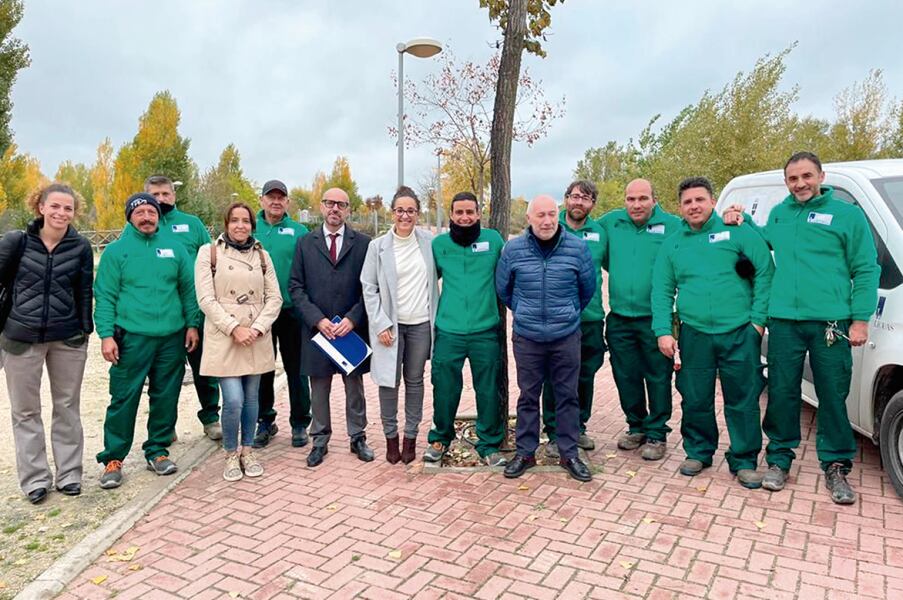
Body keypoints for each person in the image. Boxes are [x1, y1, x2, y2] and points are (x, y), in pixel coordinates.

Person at [722, 151, 879, 503]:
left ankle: (836, 465)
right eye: (793, 178)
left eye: (807, 176)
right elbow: (765, 240)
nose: (800, 183)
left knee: (832, 395)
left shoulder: (848, 216)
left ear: (821, 176)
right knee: (781, 392)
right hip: (784, 323)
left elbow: (866, 269)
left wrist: (860, 319)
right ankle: (779, 459)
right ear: (786, 182)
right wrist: (741, 220)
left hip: (830, 323)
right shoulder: (781, 214)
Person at [651, 177, 774, 489]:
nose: (694, 206)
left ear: (712, 201)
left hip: (739, 333)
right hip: (695, 334)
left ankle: (744, 460)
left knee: (743, 399)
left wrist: (757, 323)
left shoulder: (737, 230)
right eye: (688, 202)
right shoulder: (673, 243)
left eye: (700, 200)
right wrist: (664, 331)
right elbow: (662, 290)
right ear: (680, 207)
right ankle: (699, 451)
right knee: (694, 397)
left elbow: (765, 271)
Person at [94, 192, 200, 488]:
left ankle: (157, 450)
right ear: (129, 217)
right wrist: (105, 335)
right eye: (139, 212)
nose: (146, 217)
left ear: (158, 216)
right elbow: (104, 297)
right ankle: (113, 458)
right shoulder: (116, 252)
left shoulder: (176, 249)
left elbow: (188, 291)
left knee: (166, 396)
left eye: (151, 212)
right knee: (123, 398)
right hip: (131, 338)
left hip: (171, 337)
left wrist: (192, 324)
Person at [0, 183, 93, 504]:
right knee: (25, 411)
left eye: (68, 208)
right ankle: (35, 478)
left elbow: (84, 290)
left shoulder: (80, 247)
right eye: (55, 206)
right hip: (20, 337)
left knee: (67, 407)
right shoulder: (17, 242)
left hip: (67, 338)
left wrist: (85, 330)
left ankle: (69, 474)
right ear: (40, 206)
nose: (61, 213)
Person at [496, 195, 597, 482]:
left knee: (567, 395)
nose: (547, 220)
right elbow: (504, 290)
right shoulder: (513, 250)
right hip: (528, 337)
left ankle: (569, 453)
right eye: (540, 215)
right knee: (528, 396)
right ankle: (525, 453)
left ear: (558, 215)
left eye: (552, 214)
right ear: (528, 218)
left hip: (565, 336)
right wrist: (526, 311)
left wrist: (567, 312)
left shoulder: (577, 249)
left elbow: (586, 289)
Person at [195, 203, 282, 481]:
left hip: (256, 335)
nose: (240, 225)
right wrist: (234, 328)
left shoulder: (263, 256)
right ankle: (230, 453)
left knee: (252, 399)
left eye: (246, 220)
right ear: (226, 224)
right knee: (233, 399)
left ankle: (248, 450)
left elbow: (275, 298)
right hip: (225, 336)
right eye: (235, 220)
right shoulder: (208, 254)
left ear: (252, 225)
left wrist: (256, 328)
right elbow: (206, 299)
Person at [289, 187, 374, 467]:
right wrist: (318, 320)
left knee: (354, 387)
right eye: (329, 203)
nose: (334, 208)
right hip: (319, 331)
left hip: (351, 329)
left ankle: (357, 437)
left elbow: (370, 288)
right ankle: (320, 440)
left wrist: (353, 318)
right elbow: (296, 287)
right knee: (319, 388)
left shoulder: (363, 244)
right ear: (322, 207)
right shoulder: (304, 243)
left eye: (341, 204)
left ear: (349, 209)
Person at [598, 179, 681, 461]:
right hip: (620, 318)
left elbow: (700, 231)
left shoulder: (672, 225)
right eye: (631, 199)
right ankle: (636, 426)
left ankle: (657, 433)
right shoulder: (611, 222)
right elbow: (579, 225)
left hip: (656, 319)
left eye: (643, 198)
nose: (636, 204)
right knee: (626, 376)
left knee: (658, 376)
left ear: (654, 200)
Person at [424, 192, 507, 467]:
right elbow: (424, 280)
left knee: (487, 389)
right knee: (444, 388)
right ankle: (440, 439)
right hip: (449, 331)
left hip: (485, 330)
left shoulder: (493, 240)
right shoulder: (438, 245)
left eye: (470, 212)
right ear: (451, 215)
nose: (465, 217)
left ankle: (489, 444)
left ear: (479, 213)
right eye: (459, 212)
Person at [361, 186, 438, 464]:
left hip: (420, 325)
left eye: (411, 210)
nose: (405, 215)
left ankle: (410, 438)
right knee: (388, 382)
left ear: (418, 213)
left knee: (415, 382)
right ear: (392, 213)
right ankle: (391, 438)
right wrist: (381, 323)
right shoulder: (377, 246)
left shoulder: (429, 243)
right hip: (390, 328)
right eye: (400, 210)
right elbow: (368, 287)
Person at [145, 175, 221, 441]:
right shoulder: (144, 226)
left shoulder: (192, 224)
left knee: (205, 369)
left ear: (173, 196)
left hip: (196, 311)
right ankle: (166, 427)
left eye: (165, 194)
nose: (161, 199)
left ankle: (211, 418)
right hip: (162, 314)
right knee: (164, 375)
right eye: (155, 195)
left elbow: (213, 260)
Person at [540, 180, 607, 457]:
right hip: (555, 320)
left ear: (593, 204)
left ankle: (578, 426)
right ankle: (554, 431)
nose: (579, 202)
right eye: (574, 196)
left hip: (589, 317)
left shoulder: (602, 232)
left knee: (584, 375)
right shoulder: (550, 227)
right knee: (553, 376)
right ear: (566, 199)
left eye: (586, 198)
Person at [251, 180, 312, 449]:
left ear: (287, 202)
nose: (276, 202)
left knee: (297, 369)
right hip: (258, 314)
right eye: (270, 197)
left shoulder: (299, 232)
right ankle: (265, 420)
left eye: (281, 198)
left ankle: (300, 423)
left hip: (291, 311)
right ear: (262, 200)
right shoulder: (250, 229)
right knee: (262, 369)